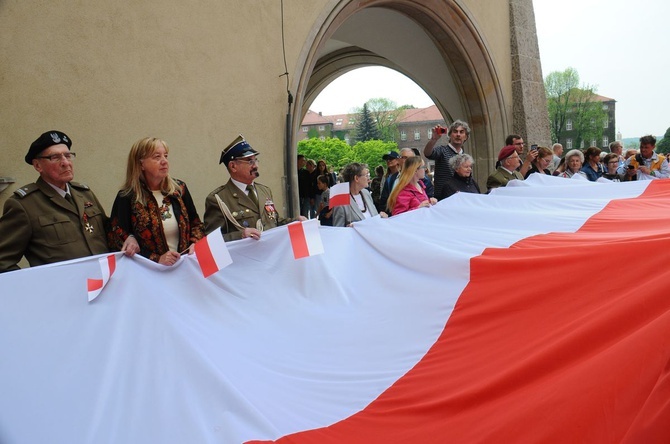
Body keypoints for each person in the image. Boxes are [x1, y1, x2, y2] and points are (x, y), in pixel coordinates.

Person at [0, 130, 109, 272]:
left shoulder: (85, 194)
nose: (65, 162)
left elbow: (110, 233)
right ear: (38, 166)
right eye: (55, 157)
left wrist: (130, 237)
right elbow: (3, 260)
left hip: (104, 287)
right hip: (62, 291)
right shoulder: (24, 205)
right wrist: (36, 286)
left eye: (68, 156)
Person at [107, 137, 204, 265]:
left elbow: (196, 224)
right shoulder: (127, 196)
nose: (164, 161)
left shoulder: (178, 189)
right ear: (141, 164)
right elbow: (116, 237)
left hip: (184, 266)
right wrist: (157, 259)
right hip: (149, 272)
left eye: (166, 156)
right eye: (157, 157)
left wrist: (195, 243)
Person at [204, 135, 300, 241]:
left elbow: (275, 222)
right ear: (233, 166)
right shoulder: (218, 199)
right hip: (244, 257)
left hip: (270, 254)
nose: (256, 166)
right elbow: (211, 240)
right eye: (250, 162)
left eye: (256, 160)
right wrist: (240, 235)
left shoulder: (264, 191)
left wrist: (296, 222)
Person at [423, 119, 470, 200]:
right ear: (450, 135)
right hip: (443, 198)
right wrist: (434, 139)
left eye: (461, 132)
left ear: (465, 137)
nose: (458, 134)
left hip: (460, 198)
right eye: (455, 132)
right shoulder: (442, 150)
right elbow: (427, 153)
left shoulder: (465, 156)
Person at [332, 163, 387, 227]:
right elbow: (338, 230)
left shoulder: (366, 193)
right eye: (366, 175)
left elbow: (373, 218)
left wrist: (381, 217)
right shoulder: (341, 200)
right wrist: (349, 229)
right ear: (356, 178)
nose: (368, 178)